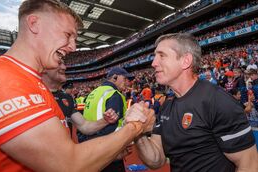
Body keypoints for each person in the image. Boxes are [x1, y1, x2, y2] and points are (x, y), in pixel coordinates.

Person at [0, 1, 155, 171]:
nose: (73, 47)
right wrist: (135, 127)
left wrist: (108, 150)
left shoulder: (34, 84)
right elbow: (67, 164)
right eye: (68, 35)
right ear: (34, 24)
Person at [131, 33, 258, 172]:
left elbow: (250, 165)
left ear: (186, 61)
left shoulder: (217, 101)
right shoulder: (166, 106)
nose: (153, 63)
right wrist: (138, 132)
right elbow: (156, 160)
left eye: (162, 55)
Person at [41, 60, 119, 137]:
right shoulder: (33, 95)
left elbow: (84, 126)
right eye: (59, 63)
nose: (64, 67)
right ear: (43, 69)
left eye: (64, 64)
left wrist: (105, 120)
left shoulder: (66, 98)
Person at [78, 67, 134, 172]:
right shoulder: (114, 94)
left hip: (90, 147)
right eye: (125, 78)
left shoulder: (93, 92)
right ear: (115, 77)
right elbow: (111, 127)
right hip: (108, 150)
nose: (128, 82)